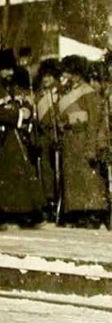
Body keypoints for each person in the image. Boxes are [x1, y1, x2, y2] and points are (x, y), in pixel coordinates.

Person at [0, 48, 45, 228]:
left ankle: (25, 211)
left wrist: (27, 111)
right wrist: (18, 115)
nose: (9, 73)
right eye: (5, 70)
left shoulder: (14, 88)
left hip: (17, 137)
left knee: (21, 174)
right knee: (3, 176)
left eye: (10, 69)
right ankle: (1, 213)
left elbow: (26, 104)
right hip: (0, 138)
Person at [56, 55, 109, 228]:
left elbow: (94, 121)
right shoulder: (67, 92)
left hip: (84, 139)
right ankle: (77, 212)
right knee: (75, 179)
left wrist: (91, 147)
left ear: (76, 74)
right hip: (70, 141)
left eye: (68, 72)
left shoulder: (88, 93)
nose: (65, 76)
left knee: (88, 180)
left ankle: (92, 214)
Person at [33, 58, 62, 219]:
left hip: (56, 135)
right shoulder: (37, 95)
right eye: (44, 76)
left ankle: (58, 200)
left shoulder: (60, 94)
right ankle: (48, 200)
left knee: (58, 168)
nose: (46, 79)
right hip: (43, 135)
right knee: (45, 169)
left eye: (50, 76)